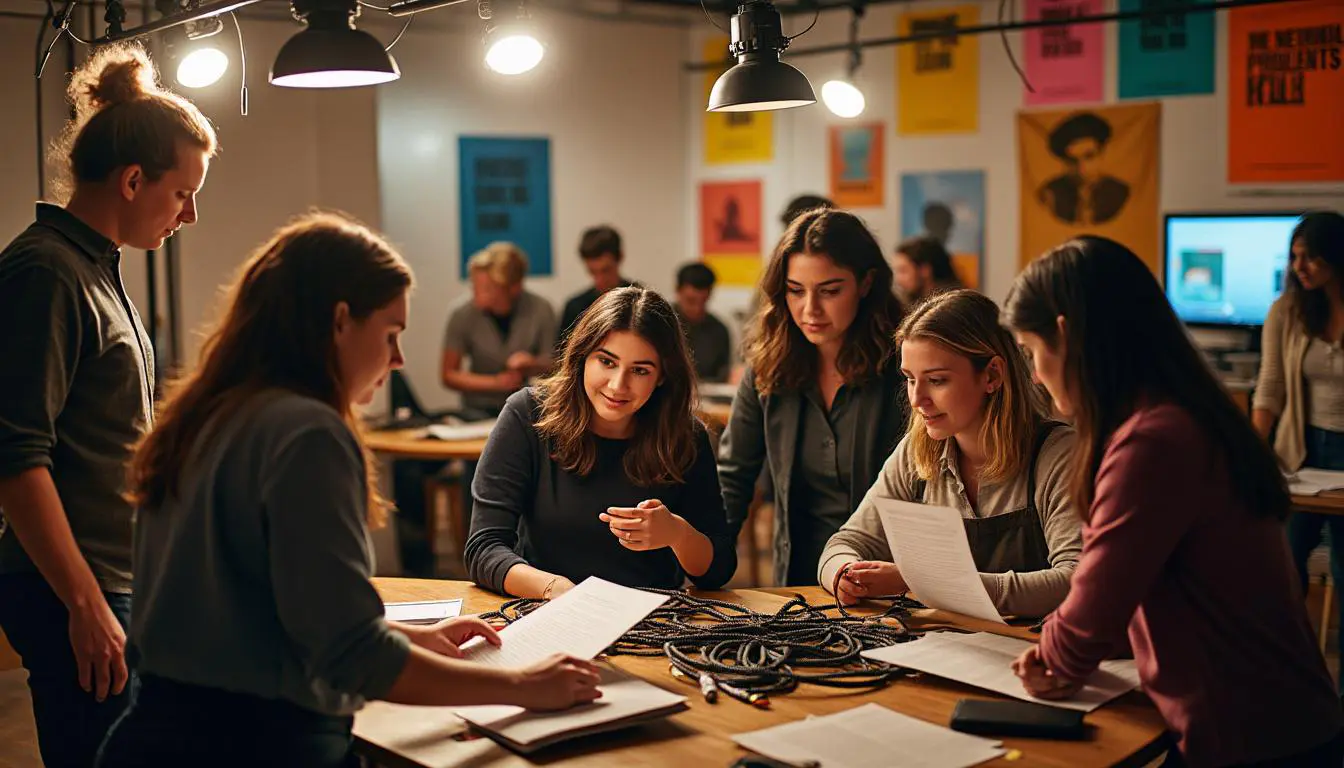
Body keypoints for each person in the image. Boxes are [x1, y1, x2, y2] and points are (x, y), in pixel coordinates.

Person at [97, 213, 601, 768]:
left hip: (158, 732)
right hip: (258, 741)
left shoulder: (204, 414)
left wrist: (404, 638)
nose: (399, 359)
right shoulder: (308, 432)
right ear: (340, 322)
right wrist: (527, 687)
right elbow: (351, 658)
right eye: (391, 334)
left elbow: (255, 611)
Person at [1004, 236, 1343, 767]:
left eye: (1031, 352)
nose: (1036, 377)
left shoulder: (1153, 441)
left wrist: (1052, 654)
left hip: (1255, 739)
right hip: (1272, 721)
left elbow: (1098, 598)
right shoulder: (1180, 412)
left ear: (1065, 335)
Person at [0, 43, 216, 767]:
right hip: (73, 588)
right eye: (183, 192)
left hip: (114, 580)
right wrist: (85, 604)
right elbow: (16, 458)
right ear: (132, 180)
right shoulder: (46, 272)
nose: (189, 216)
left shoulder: (93, 268)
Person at [819, 290, 1081, 619]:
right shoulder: (915, 454)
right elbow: (846, 542)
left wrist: (922, 582)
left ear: (992, 375)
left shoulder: (1057, 455)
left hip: (1033, 657)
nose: (917, 399)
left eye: (937, 380)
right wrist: (844, 574)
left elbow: (1076, 580)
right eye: (911, 380)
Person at [465, 286, 736, 599]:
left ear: (662, 376)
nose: (618, 385)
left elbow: (718, 571)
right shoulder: (527, 414)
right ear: (583, 357)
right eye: (607, 362)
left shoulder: (686, 436)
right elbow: (484, 548)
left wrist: (676, 533)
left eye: (640, 370)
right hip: (546, 608)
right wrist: (557, 590)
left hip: (653, 624)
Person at [718, 209, 908, 587]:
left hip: (884, 578)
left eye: (830, 291)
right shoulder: (768, 366)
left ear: (866, 283)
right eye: (795, 290)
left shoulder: (904, 367)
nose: (810, 309)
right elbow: (733, 477)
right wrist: (705, 564)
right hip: (798, 577)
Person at [1252, 211, 1344, 687]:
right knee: (1284, 573)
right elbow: (1269, 388)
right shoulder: (1286, 311)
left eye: (1310, 255)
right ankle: (1287, 682)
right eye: (1295, 256)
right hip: (1301, 452)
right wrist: (1253, 451)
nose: (1300, 265)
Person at [443, 241, 556, 417]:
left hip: (528, 410)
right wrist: (495, 383)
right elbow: (449, 374)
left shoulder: (541, 309)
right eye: (474, 285)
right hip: (476, 411)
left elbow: (556, 366)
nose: (476, 294)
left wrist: (531, 364)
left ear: (514, 287)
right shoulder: (461, 314)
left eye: (487, 289)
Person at [1036, 111, 1130, 226]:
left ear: (1102, 154)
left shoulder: (1120, 192)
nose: (1082, 168)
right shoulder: (1051, 194)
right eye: (1072, 161)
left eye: (1089, 156)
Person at [556, 225, 635, 348]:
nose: (599, 280)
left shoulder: (642, 302)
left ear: (620, 258)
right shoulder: (575, 307)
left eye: (606, 270)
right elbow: (561, 357)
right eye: (592, 271)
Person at [674, 261, 732, 382]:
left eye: (703, 301)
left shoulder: (719, 329)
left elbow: (723, 373)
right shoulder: (660, 322)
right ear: (678, 291)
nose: (697, 309)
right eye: (691, 301)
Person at [893, 236, 963, 306]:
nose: (898, 280)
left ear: (925, 270)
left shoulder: (952, 307)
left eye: (903, 271)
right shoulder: (909, 303)